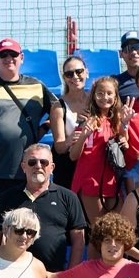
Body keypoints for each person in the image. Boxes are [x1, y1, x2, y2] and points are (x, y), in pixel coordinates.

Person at [0, 144, 88, 278]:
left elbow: (79, 241)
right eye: (32, 162)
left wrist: (69, 276)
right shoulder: (7, 197)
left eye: (43, 161)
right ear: (23, 166)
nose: (38, 166)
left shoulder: (68, 197)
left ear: (52, 166)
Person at [0, 38, 60, 196]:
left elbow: (58, 111)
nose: (9, 58)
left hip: (26, 171)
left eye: (13, 54)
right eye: (3, 55)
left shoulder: (36, 86)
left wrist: (45, 127)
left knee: (23, 219)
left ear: (21, 57)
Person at [69, 75, 130, 222]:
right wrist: (84, 134)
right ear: (94, 96)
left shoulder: (116, 121)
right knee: (100, 232)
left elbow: (124, 143)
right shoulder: (87, 120)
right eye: (100, 93)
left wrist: (125, 130)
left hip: (112, 183)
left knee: (119, 229)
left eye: (109, 93)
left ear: (115, 98)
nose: (105, 97)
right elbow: (73, 155)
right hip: (90, 182)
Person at [51, 55, 90, 189]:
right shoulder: (59, 106)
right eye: (69, 74)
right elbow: (59, 147)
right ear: (64, 78)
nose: (75, 77)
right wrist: (73, 138)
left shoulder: (96, 100)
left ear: (86, 72)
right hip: (69, 168)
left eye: (79, 71)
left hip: (92, 164)